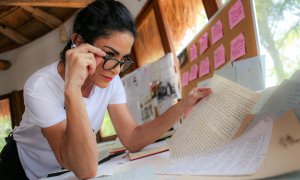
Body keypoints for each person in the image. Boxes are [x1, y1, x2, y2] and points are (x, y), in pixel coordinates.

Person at [0, 0, 211, 179]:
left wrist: (183, 106)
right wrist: (72, 88)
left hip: (64, 171)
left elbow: (132, 137)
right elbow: (85, 169)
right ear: (78, 42)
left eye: (123, 59)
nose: (116, 69)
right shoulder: (40, 86)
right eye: (110, 54)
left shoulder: (110, 80)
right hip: (22, 167)